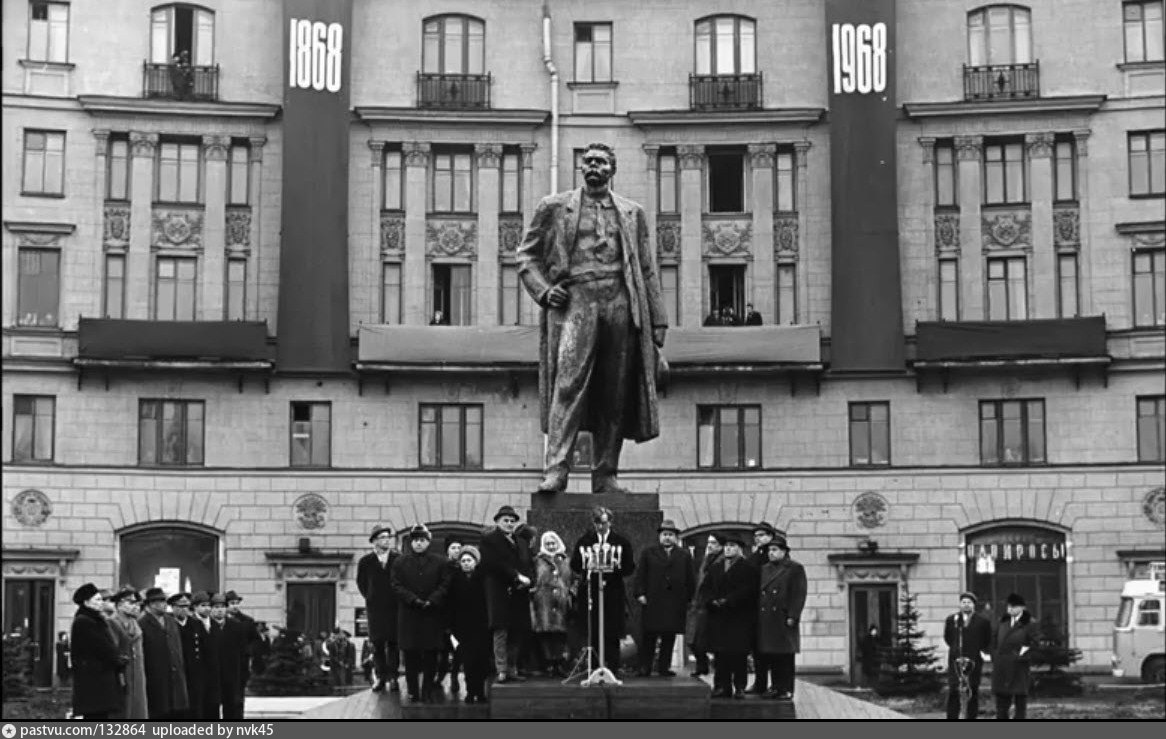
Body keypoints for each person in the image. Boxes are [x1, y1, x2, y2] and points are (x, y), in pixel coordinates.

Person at [517, 142, 668, 495]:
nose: (593, 167)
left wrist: (658, 323)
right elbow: (526, 256)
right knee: (568, 385)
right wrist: (543, 290)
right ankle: (556, 470)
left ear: (612, 169)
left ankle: (606, 475)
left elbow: (646, 270)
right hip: (577, 300)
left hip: (619, 300)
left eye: (600, 162)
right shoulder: (554, 208)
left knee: (613, 393)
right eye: (587, 162)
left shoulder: (633, 212)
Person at [569, 506, 636, 674]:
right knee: (593, 628)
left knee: (612, 630)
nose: (600, 527)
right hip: (591, 592)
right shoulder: (585, 541)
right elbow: (575, 565)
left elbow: (629, 567)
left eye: (604, 523)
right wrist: (588, 566)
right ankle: (594, 665)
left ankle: (613, 666)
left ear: (610, 522)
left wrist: (615, 567)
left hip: (613, 592)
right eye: (597, 523)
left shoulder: (620, 542)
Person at [391, 524, 452, 703]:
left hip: (431, 615)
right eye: (416, 540)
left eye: (422, 540)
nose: (419, 544)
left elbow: (445, 584)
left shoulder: (440, 562)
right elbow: (396, 585)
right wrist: (413, 599)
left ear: (428, 542)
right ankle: (412, 691)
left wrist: (432, 600)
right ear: (411, 542)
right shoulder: (400, 562)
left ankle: (427, 689)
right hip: (409, 615)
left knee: (430, 655)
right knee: (410, 656)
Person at [633, 519, 695, 677]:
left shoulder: (684, 555)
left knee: (669, 636)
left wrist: (688, 598)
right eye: (665, 534)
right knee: (649, 636)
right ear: (659, 536)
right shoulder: (649, 553)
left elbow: (690, 579)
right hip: (653, 599)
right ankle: (645, 666)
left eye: (670, 535)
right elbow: (641, 575)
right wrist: (640, 593)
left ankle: (663, 667)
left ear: (675, 537)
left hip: (674, 602)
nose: (667, 537)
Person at [480, 505, 535, 683]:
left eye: (512, 521)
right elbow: (493, 563)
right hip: (499, 592)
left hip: (519, 593)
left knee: (517, 632)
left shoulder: (521, 542)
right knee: (501, 632)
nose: (509, 524)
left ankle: (512, 668)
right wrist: (516, 576)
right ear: (497, 521)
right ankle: (501, 669)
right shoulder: (489, 540)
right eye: (506, 520)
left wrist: (529, 580)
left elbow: (528, 564)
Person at [703, 535, 757, 699]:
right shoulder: (716, 567)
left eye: (732, 545)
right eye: (726, 545)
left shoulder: (748, 568)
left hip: (738, 617)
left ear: (740, 549)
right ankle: (721, 686)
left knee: (738, 654)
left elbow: (749, 590)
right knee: (720, 655)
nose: (728, 548)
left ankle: (739, 686)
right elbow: (706, 588)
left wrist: (728, 600)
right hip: (718, 617)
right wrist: (711, 601)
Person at [755, 535, 807, 701]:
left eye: (775, 550)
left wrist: (793, 615)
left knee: (785, 656)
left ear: (784, 552)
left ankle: (787, 689)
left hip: (783, 618)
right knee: (771, 655)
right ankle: (775, 687)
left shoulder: (794, 568)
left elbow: (798, 594)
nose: (771, 553)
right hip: (767, 618)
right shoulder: (765, 569)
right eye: (769, 550)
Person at [356, 524, 402, 693]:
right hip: (376, 610)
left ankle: (394, 677)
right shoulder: (366, 562)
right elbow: (361, 583)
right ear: (374, 541)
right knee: (378, 645)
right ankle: (381, 677)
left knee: (394, 644)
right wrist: (370, 596)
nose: (386, 541)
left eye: (387, 538)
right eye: (382, 538)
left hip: (394, 608)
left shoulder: (398, 559)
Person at [69, 584, 125, 720]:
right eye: (97, 600)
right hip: (95, 680)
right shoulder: (85, 621)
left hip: (99, 678)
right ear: (86, 602)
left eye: (102, 599)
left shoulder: (93, 619)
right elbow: (102, 647)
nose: (102, 603)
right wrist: (118, 660)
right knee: (96, 716)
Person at [448, 545, 492, 704]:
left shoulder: (483, 579)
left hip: (481, 626)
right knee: (468, 662)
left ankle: (479, 692)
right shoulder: (455, 579)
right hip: (462, 628)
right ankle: (470, 692)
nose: (466, 563)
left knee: (481, 661)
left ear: (475, 561)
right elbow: (451, 604)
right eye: (463, 560)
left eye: (469, 560)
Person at [138, 587, 188, 720]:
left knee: (176, 713)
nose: (165, 605)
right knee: (158, 713)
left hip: (175, 677)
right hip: (156, 678)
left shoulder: (170, 621)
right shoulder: (142, 623)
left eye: (164, 601)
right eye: (161, 602)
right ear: (151, 604)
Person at [530, 530, 573, 677]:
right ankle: (549, 663)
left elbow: (574, 578)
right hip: (544, 600)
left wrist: (570, 591)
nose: (551, 546)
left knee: (560, 633)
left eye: (553, 543)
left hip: (561, 601)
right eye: (548, 543)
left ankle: (560, 663)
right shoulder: (538, 560)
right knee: (546, 633)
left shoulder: (566, 560)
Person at [945, 592, 993, 720]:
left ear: (974, 605)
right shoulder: (952, 620)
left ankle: (971, 717)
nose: (966, 605)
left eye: (969, 603)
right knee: (954, 690)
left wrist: (976, 650)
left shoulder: (983, 622)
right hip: (956, 661)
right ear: (960, 604)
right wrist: (956, 650)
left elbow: (986, 640)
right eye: (963, 602)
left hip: (973, 660)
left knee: (972, 690)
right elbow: (948, 638)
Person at [992, 593, 1039, 720]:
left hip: (1019, 667)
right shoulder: (1002, 622)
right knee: (1001, 704)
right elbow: (994, 641)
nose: (1010, 609)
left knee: (1020, 702)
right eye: (1008, 606)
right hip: (1001, 666)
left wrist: (1022, 655)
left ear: (1022, 608)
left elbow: (1035, 644)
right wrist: (994, 656)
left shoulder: (1030, 623)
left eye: (1013, 606)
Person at [745, 521, 776, 693]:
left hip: (771, 609)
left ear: (770, 536)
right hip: (756, 609)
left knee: (774, 650)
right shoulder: (754, 557)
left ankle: (776, 685)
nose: (759, 539)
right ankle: (760, 682)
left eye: (762, 535)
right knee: (758, 649)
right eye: (756, 536)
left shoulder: (775, 555)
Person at [685, 533, 723, 678]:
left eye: (713, 542)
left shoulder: (720, 560)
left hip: (709, 605)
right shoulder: (707, 559)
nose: (710, 545)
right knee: (692, 640)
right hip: (698, 603)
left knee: (702, 641)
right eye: (709, 542)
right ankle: (702, 664)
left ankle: (707, 666)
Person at [108, 588, 148, 720]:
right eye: (130, 603)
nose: (135, 606)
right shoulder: (111, 623)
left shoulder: (135, 623)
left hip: (137, 672)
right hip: (121, 672)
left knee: (137, 706)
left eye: (136, 603)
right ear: (119, 605)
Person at [208, 593, 246, 720]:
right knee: (212, 707)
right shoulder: (206, 626)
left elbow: (242, 652)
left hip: (232, 674)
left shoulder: (236, 626)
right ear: (211, 609)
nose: (220, 610)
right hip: (213, 675)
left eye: (222, 607)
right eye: (216, 607)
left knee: (232, 707)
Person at [437, 539, 465, 693]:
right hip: (444, 615)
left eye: (459, 547)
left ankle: (454, 677)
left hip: (460, 616)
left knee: (458, 650)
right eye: (453, 548)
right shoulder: (442, 568)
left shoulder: (464, 567)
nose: (456, 550)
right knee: (443, 650)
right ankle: (440, 675)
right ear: (447, 551)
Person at [225, 589, 258, 716]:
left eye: (236, 603)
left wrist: (248, 652)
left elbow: (255, 640)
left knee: (238, 696)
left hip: (241, 663)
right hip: (225, 662)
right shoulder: (220, 620)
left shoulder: (247, 621)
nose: (235, 606)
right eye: (232, 603)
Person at [191, 592, 221, 720]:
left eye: (209, 605)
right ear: (195, 607)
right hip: (196, 674)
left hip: (214, 675)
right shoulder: (191, 624)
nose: (207, 608)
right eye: (203, 605)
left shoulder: (215, 625)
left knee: (213, 708)